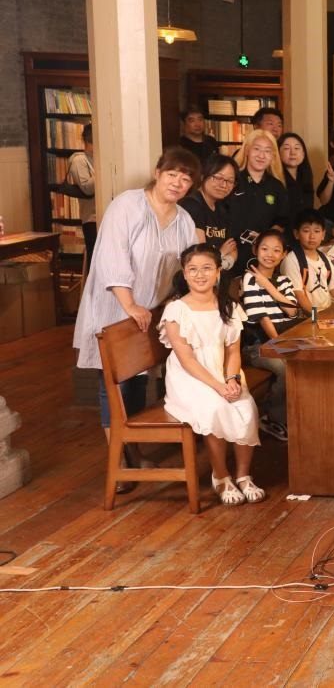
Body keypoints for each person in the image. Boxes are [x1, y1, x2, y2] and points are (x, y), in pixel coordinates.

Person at [72, 148, 200, 493]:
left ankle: (134, 450)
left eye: (186, 179)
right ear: (158, 172)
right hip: (116, 307)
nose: (177, 182)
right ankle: (119, 459)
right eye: (172, 174)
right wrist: (129, 304)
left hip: (151, 312)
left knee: (140, 382)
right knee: (114, 385)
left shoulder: (184, 220)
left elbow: (187, 267)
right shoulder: (127, 205)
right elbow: (112, 257)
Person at [160, 244, 264, 506]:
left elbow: (233, 351)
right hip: (190, 375)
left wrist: (232, 379)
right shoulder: (176, 309)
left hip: (222, 368)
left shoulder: (227, 306)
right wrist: (218, 387)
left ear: (218, 271)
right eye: (193, 269)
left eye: (207, 268)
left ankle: (243, 475)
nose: (200, 275)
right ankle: (221, 476)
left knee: (245, 406)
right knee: (215, 408)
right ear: (185, 274)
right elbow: (186, 359)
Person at [240, 229, 299, 441]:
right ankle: (272, 418)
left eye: (276, 250)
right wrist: (278, 346)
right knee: (285, 368)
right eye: (264, 249)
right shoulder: (249, 279)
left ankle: (297, 414)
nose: (270, 254)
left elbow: (292, 311)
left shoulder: (283, 280)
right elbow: (263, 318)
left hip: (282, 339)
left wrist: (268, 286)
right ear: (255, 250)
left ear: (283, 254)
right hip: (259, 345)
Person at [228, 129, 288, 273]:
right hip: (233, 251)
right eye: (257, 149)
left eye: (267, 151)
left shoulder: (276, 186)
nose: (261, 155)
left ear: (273, 156)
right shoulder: (232, 180)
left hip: (264, 256)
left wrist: (264, 239)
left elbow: (282, 220)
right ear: (247, 150)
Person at [180, 153, 239, 272]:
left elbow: (232, 249)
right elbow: (201, 255)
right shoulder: (192, 206)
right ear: (203, 176)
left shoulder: (222, 208)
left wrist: (220, 264)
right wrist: (221, 253)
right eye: (218, 178)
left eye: (230, 181)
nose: (224, 185)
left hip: (215, 277)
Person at [280, 209, 334, 312]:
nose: (312, 236)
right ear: (296, 234)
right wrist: (316, 317)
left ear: (323, 234)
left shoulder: (325, 259)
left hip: (326, 314)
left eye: (317, 231)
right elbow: (298, 295)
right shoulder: (291, 260)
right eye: (306, 231)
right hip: (307, 317)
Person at [66, 124, 97, 269]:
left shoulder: (98, 158)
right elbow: (87, 188)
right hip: (91, 218)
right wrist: (102, 168)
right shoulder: (79, 160)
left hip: (105, 215)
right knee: (95, 256)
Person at [277, 132, 316, 222]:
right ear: (278, 152)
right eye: (286, 148)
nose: (293, 153)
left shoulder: (305, 175)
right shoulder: (274, 178)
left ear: (303, 153)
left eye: (297, 148)